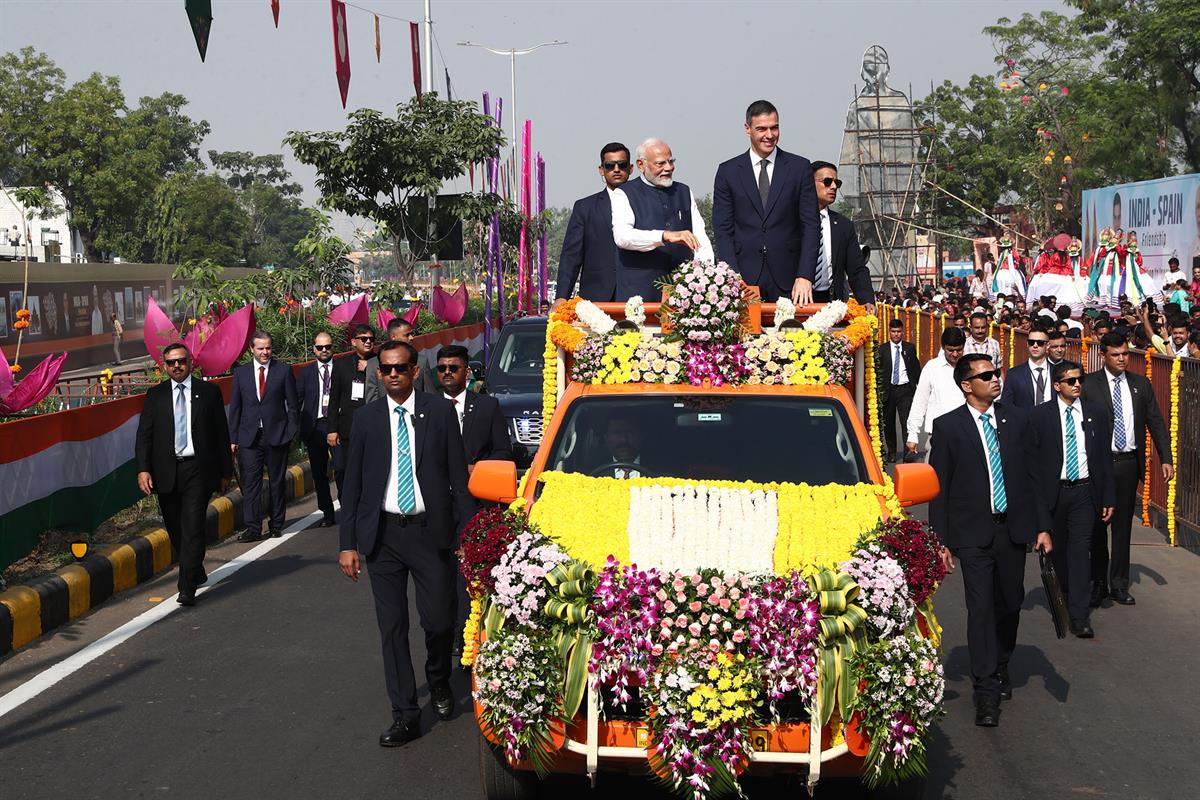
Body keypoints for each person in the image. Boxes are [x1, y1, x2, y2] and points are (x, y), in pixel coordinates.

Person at [338, 341, 476, 747]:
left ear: (416, 371)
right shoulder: (366, 421)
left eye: (401, 368)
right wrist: (348, 543)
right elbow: (352, 486)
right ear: (379, 373)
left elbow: (459, 482)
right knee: (392, 628)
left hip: (431, 533)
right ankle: (405, 714)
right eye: (387, 369)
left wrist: (467, 535)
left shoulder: (439, 414)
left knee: (438, 621)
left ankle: (438, 678)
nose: (393, 374)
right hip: (383, 537)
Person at [929, 354, 1048, 727]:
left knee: (1009, 603)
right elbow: (940, 488)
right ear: (967, 385)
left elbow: (1034, 476)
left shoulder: (1017, 420)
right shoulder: (948, 427)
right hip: (972, 534)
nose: (996, 379)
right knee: (980, 608)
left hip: (1011, 530)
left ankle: (1000, 664)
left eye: (996, 372)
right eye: (986, 375)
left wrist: (1042, 527)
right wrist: (941, 540)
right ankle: (985, 689)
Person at [135, 343, 234, 606]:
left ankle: (186, 587)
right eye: (171, 363)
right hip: (167, 471)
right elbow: (144, 435)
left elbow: (220, 434)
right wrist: (143, 469)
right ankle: (195, 568)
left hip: (198, 470)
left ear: (190, 362)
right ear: (163, 366)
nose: (176, 366)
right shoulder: (155, 395)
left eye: (181, 361)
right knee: (176, 529)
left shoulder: (208, 392)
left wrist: (226, 471)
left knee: (192, 526)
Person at [1083, 333, 1173, 607]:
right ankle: (1097, 582)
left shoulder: (1140, 385)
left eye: (1125, 354)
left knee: (1122, 527)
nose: (1122, 359)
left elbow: (1155, 421)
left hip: (1126, 464)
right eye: (1115, 354)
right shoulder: (1089, 385)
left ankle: (1119, 584)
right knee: (1098, 525)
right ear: (1103, 356)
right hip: (1099, 464)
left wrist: (1165, 457)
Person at [1027, 361, 1115, 638]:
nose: (1077, 384)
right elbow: (1033, 464)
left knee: (1080, 550)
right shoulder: (1040, 416)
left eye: (1080, 379)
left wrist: (1108, 496)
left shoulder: (1097, 413)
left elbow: (1103, 458)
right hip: (1054, 492)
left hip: (1084, 492)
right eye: (1070, 381)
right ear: (1057, 385)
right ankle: (1061, 598)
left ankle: (1079, 615)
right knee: (1059, 552)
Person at [711, 101, 820, 303]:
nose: (769, 135)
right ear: (747, 129)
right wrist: (733, 279)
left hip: (791, 281)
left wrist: (805, 275)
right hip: (744, 280)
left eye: (774, 127)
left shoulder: (799, 168)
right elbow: (723, 230)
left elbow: (811, 226)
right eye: (761, 129)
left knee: (791, 334)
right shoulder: (728, 172)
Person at [611, 138, 713, 300]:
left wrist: (708, 277)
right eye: (660, 163)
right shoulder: (624, 193)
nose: (668, 168)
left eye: (671, 161)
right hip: (640, 292)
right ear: (641, 165)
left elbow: (700, 239)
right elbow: (623, 237)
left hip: (682, 289)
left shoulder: (684, 191)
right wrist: (664, 236)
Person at [227, 331, 300, 542]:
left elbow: (293, 406)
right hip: (250, 437)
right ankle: (253, 527)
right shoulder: (240, 373)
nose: (265, 352)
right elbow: (236, 408)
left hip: (277, 435)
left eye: (268, 348)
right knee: (251, 483)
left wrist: (291, 431)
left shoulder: (283, 371)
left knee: (277, 481)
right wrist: (233, 439)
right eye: (260, 348)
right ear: (252, 349)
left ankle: (277, 524)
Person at [555, 142, 632, 303]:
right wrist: (562, 297)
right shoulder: (585, 208)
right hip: (596, 298)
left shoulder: (647, 205)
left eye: (622, 165)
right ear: (601, 170)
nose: (616, 170)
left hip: (638, 296)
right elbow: (571, 256)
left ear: (631, 168)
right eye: (610, 165)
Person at [809, 161, 875, 309]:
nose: (833, 187)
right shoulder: (791, 220)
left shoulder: (844, 225)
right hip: (798, 301)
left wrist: (867, 300)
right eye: (827, 182)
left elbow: (856, 268)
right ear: (809, 183)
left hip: (832, 303)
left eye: (836, 183)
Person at [328, 324, 381, 496]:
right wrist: (332, 429)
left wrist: (371, 368)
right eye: (363, 339)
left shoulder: (381, 362)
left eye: (371, 339)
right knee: (344, 470)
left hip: (375, 426)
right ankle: (347, 506)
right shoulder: (341, 365)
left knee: (371, 470)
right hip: (348, 428)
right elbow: (334, 399)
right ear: (353, 342)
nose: (368, 342)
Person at [905, 326, 967, 461]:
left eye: (959, 350)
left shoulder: (971, 367)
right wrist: (912, 434)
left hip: (967, 434)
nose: (955, 354)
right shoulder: (932, 367)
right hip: (938, 435)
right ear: (943, 347)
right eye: (951, 350)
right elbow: (920, 401)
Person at [297, 332, 338, 527]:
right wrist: (297, 429)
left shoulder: (341, 369)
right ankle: (327, 512)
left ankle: (347, 508)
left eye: (327, 347)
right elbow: (296, 402)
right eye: (320, 347)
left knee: (342, 469)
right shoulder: (305, 373)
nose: (324, 350)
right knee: (319, 474)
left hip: (337, 425)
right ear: (314, 349)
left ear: (333, 348)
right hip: (315, 428)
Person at [877, 319, 920, 463]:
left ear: (902, 332)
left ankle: (908, 451)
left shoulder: (909, 348)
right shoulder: (882, 350)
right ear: (889, 332)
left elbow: (916, 369)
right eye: (893, 332)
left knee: (906, 421)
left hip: (905, 390)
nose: (896, 334)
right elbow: (879, 371)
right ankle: (892, 451)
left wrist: (919, 389)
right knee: (888, 423)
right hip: (888, 390)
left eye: (899, 331)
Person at [999, 329, 1053, 408]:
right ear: (1027, 344)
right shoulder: (1014, 374)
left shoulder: (1057, 372)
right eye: (1031, 342)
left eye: (1040, 343)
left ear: (1047, 345)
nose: (1035, 345)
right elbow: (1006, 405)